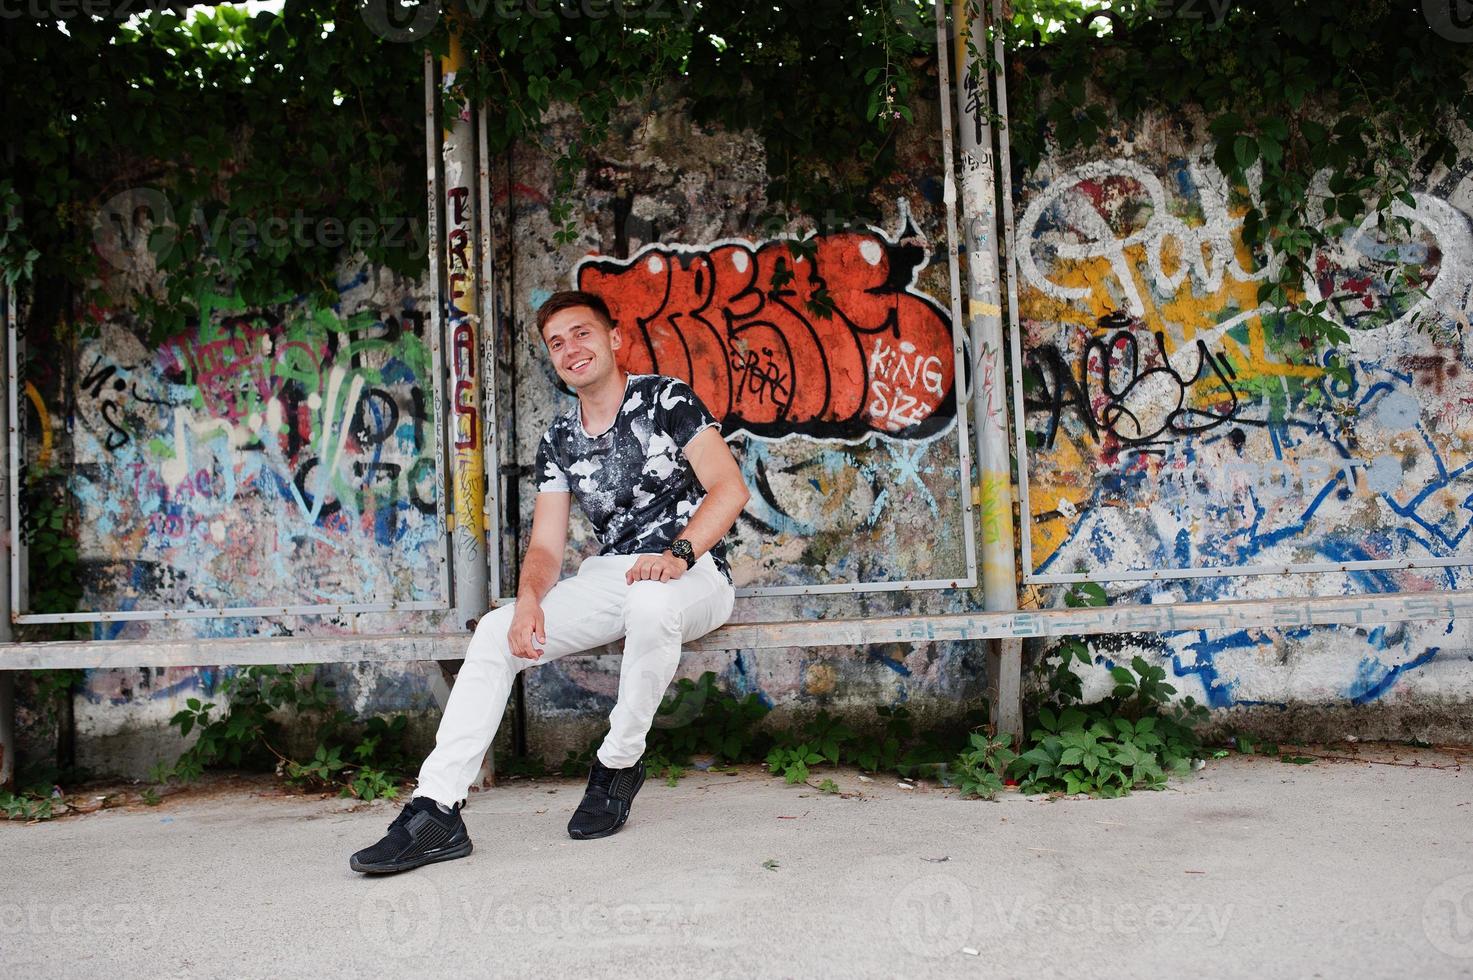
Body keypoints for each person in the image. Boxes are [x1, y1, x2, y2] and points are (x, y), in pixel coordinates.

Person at [350, 289, 750, 874]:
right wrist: (528, 602)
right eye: (557, 343)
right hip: (613, 574)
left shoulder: (666, 399)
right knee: (493, 632)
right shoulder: (559, 438)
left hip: (694, 572)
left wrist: (679, 553)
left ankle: (617, 764)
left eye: (582, 333)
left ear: (613, 338)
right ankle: (436, 811)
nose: (571, 349)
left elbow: (728, 487)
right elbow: (545, 544)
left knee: (649, 603)